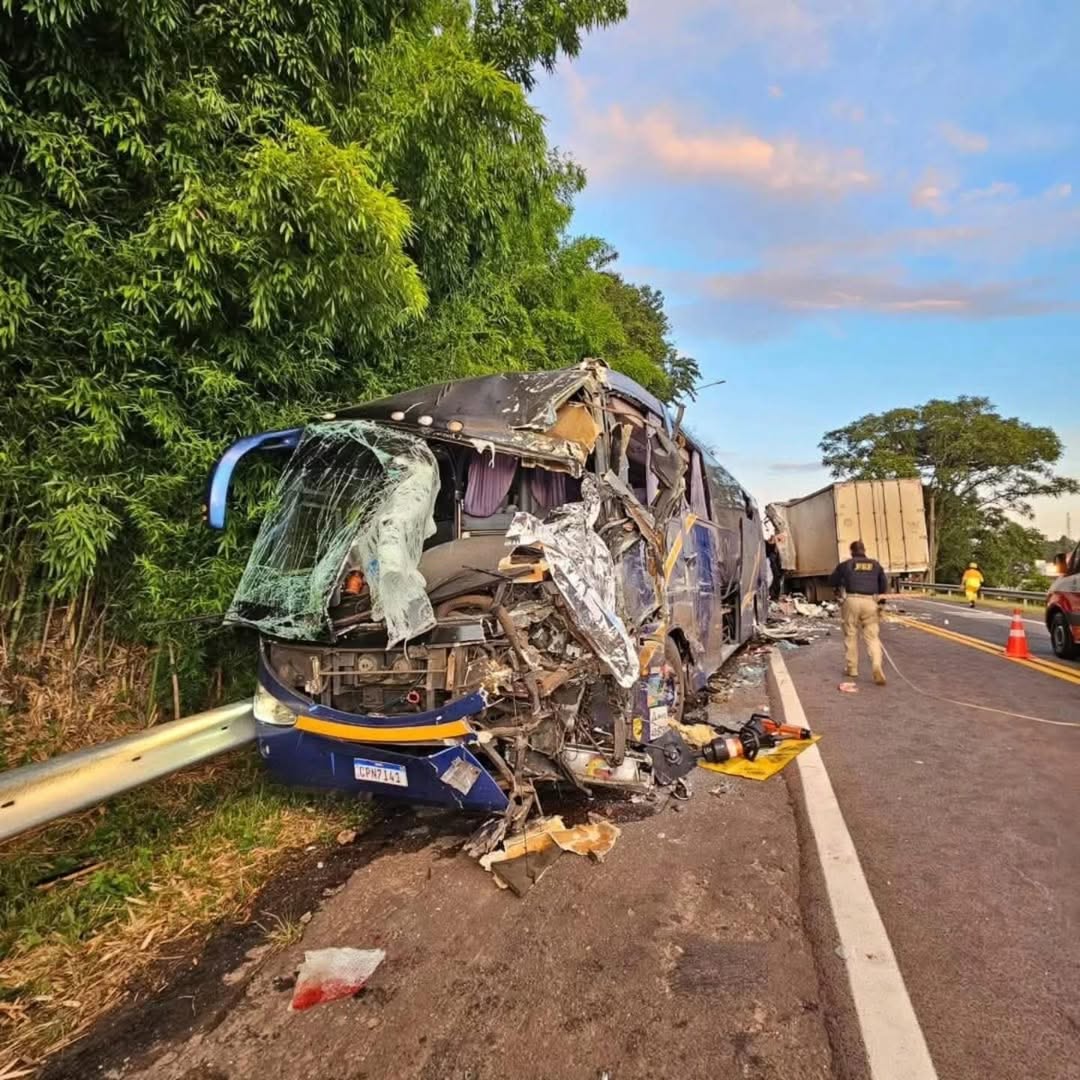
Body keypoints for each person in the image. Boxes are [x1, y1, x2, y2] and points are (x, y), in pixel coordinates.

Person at [829, 540, 889, 686]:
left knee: (850, 634)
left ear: (851, 551)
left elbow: (832, 580)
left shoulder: (846, 564)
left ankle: (852, 669)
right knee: (872, 637)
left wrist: (839, 587)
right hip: (870, 601)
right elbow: (883, 584)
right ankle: (876, 665)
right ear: (864, 550)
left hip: (852, 600)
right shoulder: (875, 565)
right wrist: (881, 603)